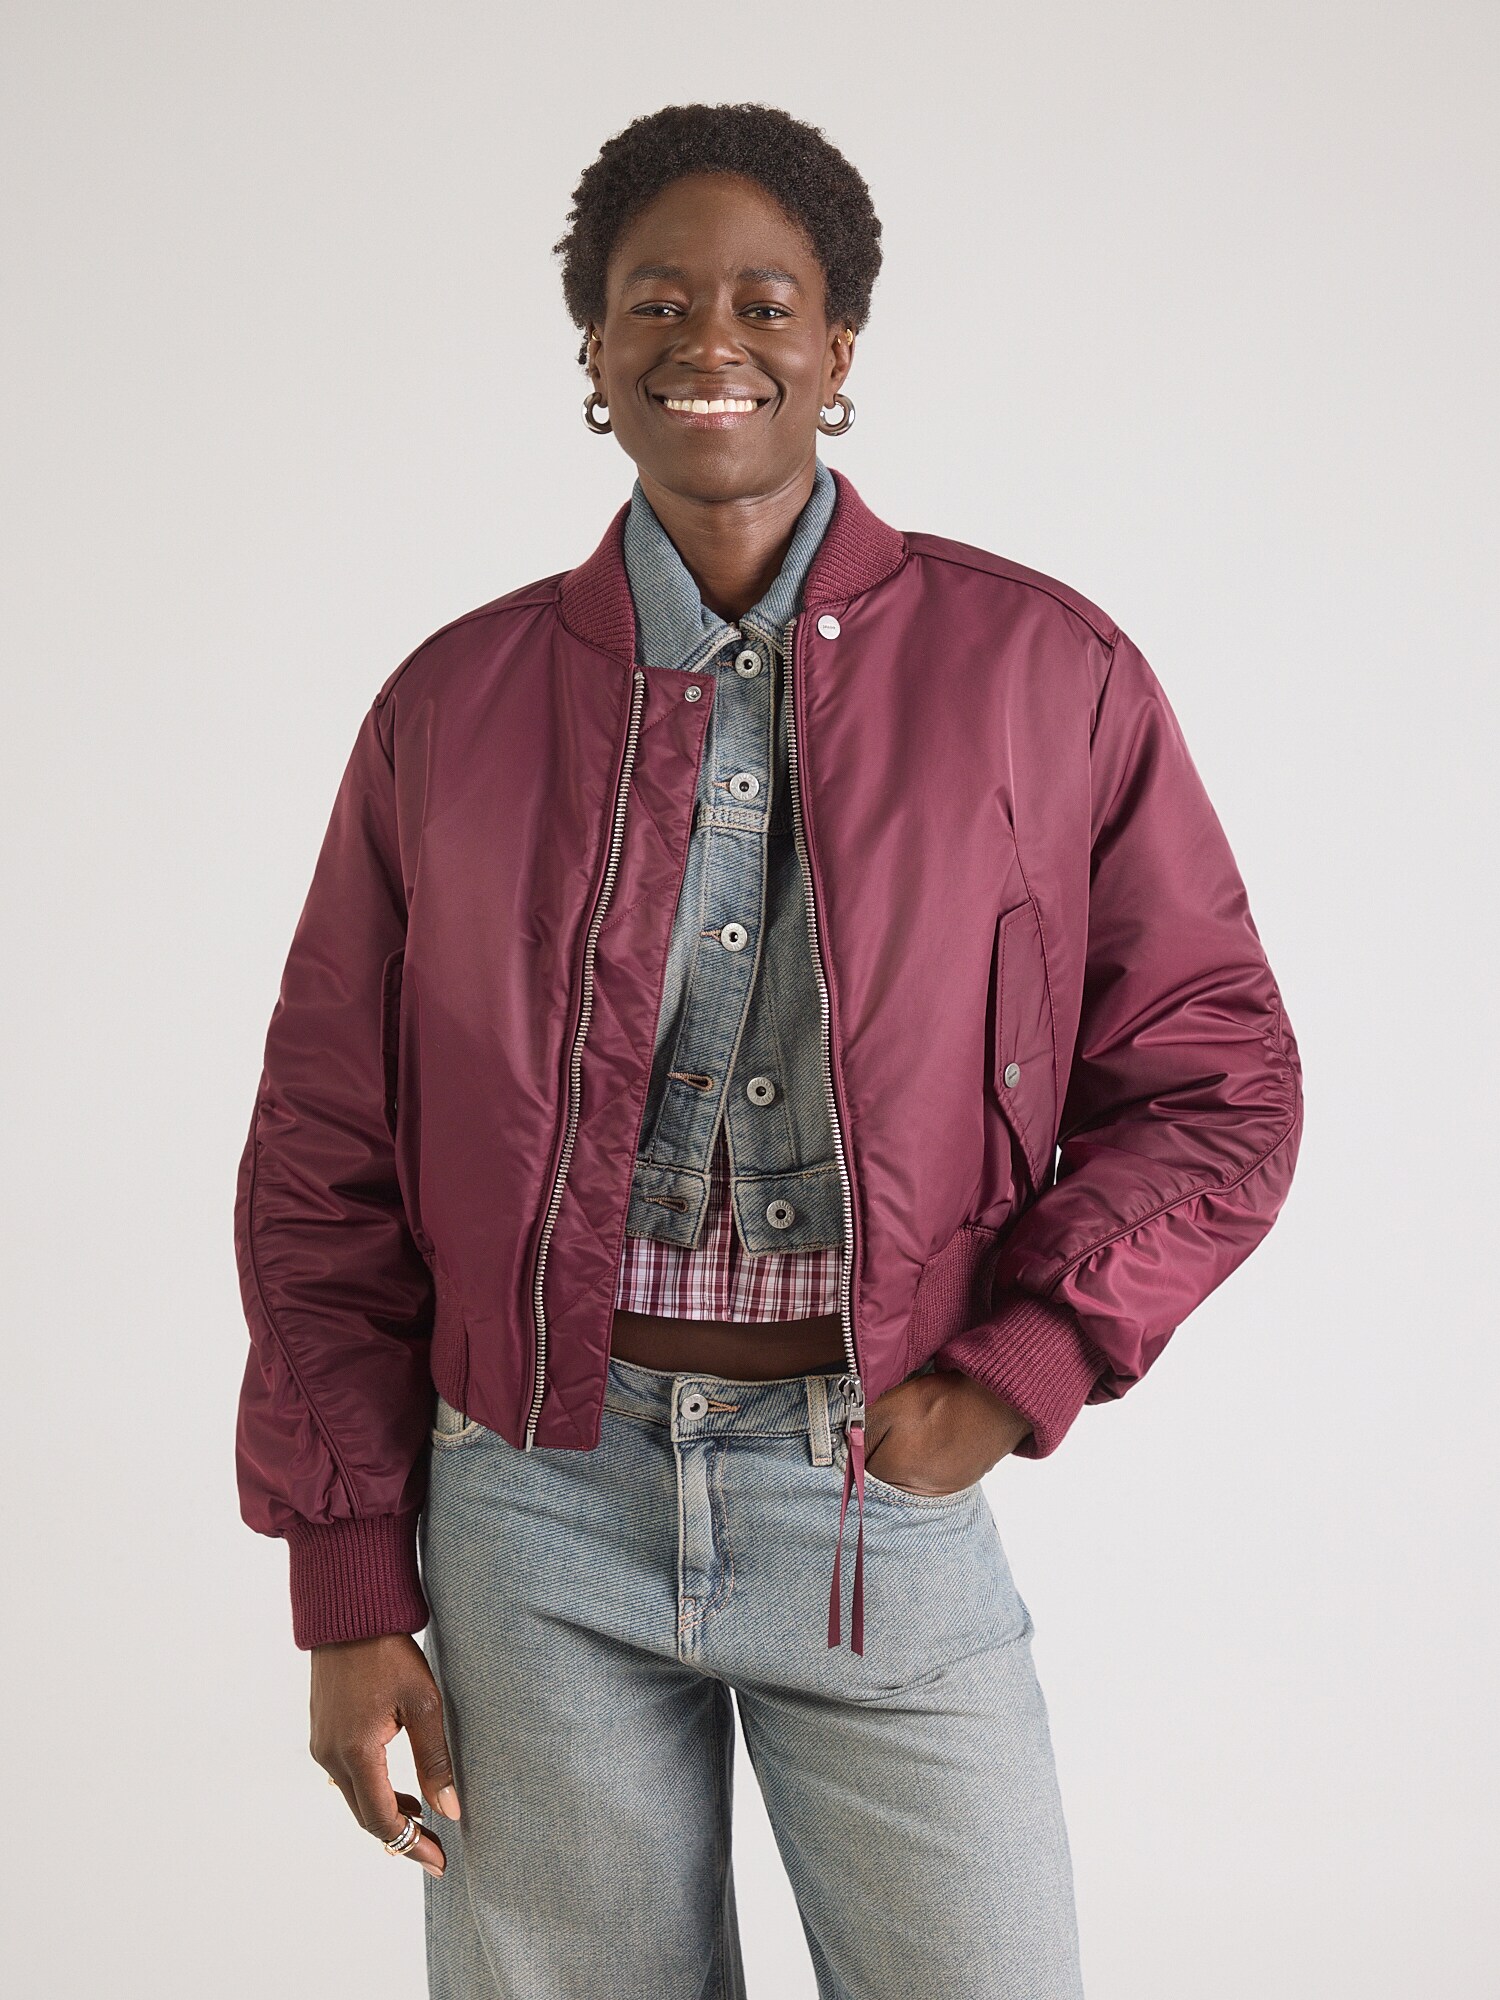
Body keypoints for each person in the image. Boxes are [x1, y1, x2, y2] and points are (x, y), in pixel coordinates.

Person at [233, 101, 1304, 2000]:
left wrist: (1030, 1357)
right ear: (593, 349)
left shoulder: (1043, 673)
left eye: (763, 301)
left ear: (838, 343)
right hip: (531, 1505)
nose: (707, 341)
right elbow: (327, 1155)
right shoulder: (452, 706)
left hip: (873, 1485)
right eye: (654, 302)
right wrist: (349, 1572)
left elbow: (1218, 1078)